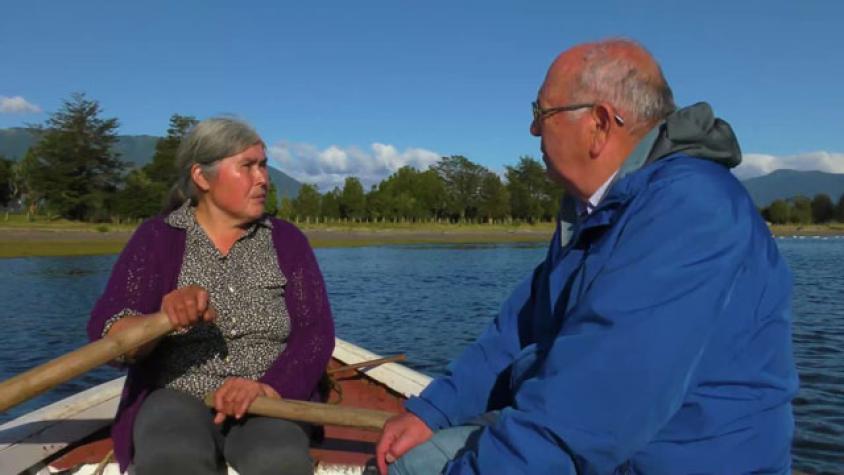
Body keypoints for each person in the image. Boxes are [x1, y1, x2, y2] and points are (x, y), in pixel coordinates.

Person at [376, 39, 798, 474]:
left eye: (542, 114)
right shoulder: (595, 210)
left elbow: (593, 405)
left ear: (598, 123)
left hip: (677, 460)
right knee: (413, 460)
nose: (533, 131)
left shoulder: (690, 208)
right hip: (611, 450)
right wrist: (435, 410)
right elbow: (519, 330)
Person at [87, 117, 334, 474]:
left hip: (266, 403)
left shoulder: (286, 240)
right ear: (202, 177)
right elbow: (111, 333)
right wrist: (161, 320)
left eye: (263, 165)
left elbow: (316, 333)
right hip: (176, 396)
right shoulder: (158, 238)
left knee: (280, 461)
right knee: (171, 458)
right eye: (247, 166)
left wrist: (268, 388)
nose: (263, 178)